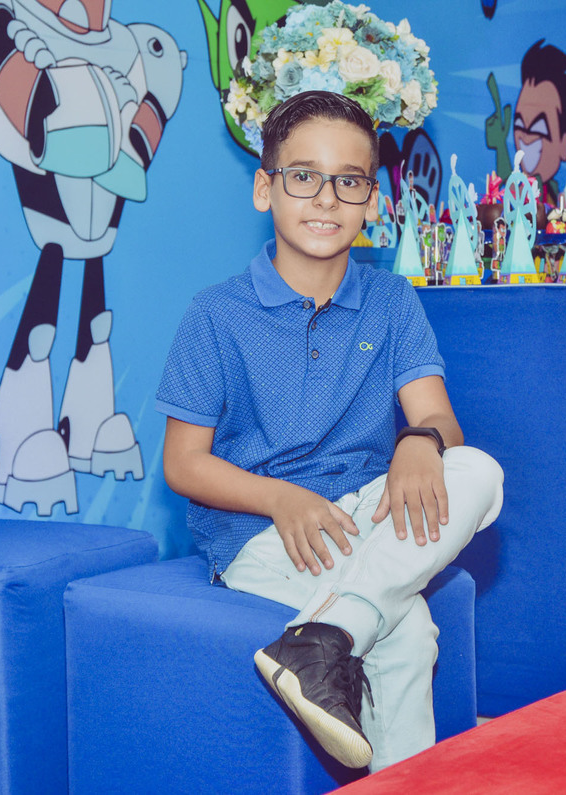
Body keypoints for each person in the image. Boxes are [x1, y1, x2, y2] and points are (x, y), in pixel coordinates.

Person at [155, 90, 504, 773]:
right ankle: (338, 649)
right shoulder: (216, 314)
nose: (325, 199)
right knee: (407, 631)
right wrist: (281, 499)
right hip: (263, 532)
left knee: (481, 472)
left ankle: (320, 638)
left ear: (373, 200)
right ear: (265, 189)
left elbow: (439, 420)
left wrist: (419, 441)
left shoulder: (391, 298)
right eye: (303, 176)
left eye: (349, 181)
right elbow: (183, 463)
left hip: (366, 515)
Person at [513, 39, 566, 208]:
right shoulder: (515, 191)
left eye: (539, 129)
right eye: (519, 125)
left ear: (564, 145)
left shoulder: (555, 195)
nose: (526, 137)